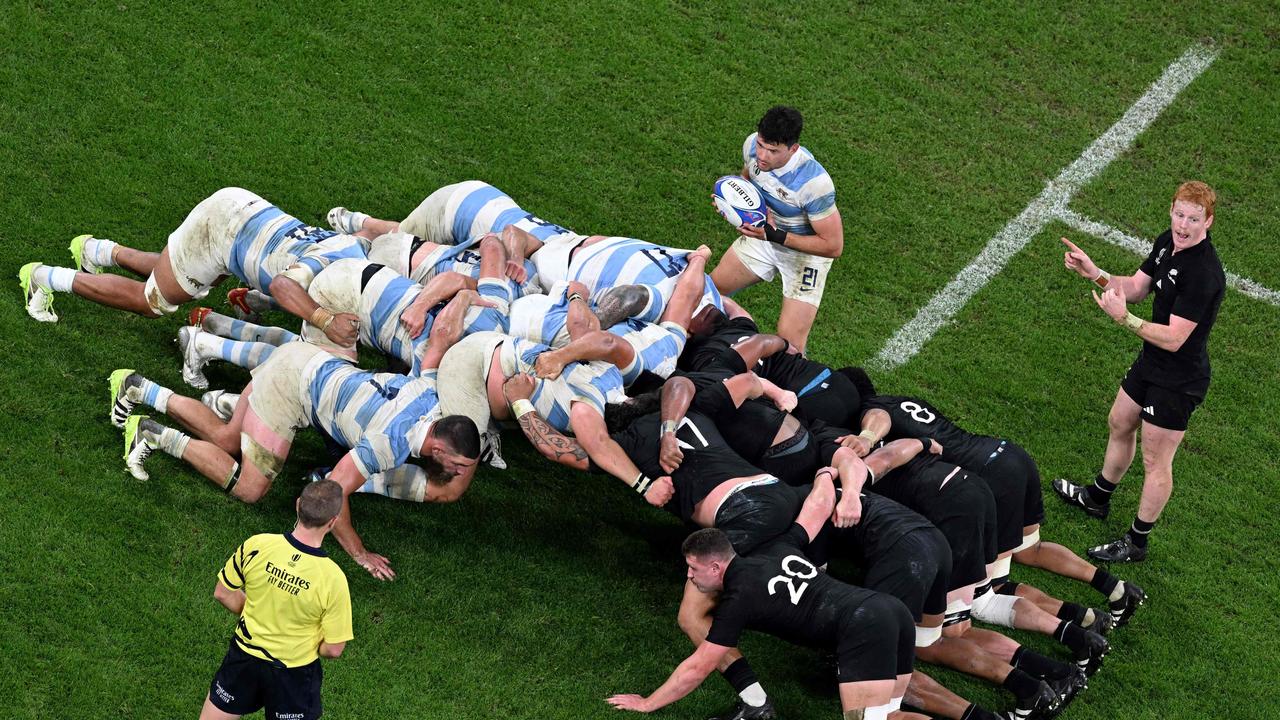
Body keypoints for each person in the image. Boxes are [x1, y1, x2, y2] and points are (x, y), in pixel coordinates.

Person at [109, 295, 482, 579]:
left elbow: (439, 340)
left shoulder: (429, 394)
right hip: (289, 390)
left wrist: (463, 296)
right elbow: (334, 490)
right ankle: (151, 434)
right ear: (436, 447)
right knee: (250, 488)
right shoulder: (390, 443)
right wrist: (360, 553)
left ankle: (139, 388)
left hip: (308, 358)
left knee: (226, 438)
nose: (460, 471)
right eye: (459, 464)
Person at [606, 496, 925, 720]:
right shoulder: (777, 548)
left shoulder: (739, 598)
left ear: (716, 567)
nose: (689, 577)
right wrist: (826, 474)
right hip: (891, 610)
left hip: (864, 624)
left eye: (693, 569)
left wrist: (648, 704)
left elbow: (697, 667)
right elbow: (813, 512)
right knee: (890, 715)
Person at [1053, 181, 1225, 562]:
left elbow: (1176, 338)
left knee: (1156, 461)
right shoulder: (1167, 242)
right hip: (1152, 361)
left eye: (1194, 219)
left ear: (1208, 222)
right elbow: (1134, 285)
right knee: (1120, 421)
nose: (1183, 225)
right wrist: (1095, 273)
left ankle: (1136, 542)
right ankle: (1097, 497)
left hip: (1178, 379)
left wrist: (1124, 319)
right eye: (1179, 214)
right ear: (1171, 211)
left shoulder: (1204, 274)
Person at [18, 188, 367, 349]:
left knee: (180, 274)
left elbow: (377, 231)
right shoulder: (330, 275)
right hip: (221, 232)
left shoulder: (359, 248)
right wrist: (324, 320)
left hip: (243, 208)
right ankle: (42, 278)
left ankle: (97, 251)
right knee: (153, 301)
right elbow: (282, 288)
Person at [200, 480, 352, 720]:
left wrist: (257, 613)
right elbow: (333, 649)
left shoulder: (257, 545)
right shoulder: (333, 579)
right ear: (332, 522)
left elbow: (223, 592)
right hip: (293, 675)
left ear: (298, 505)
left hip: (243, 659)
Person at [708, 106, 843, 352]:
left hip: (805, 257)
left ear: (793, 148)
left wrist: (774, 235)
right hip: (765, 237)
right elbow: (748, 178)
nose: (763, 155)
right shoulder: (751, 146)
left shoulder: (815, 184)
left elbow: (833, 246)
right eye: (761, 145)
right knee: (708, 294)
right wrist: (735, 207)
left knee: (788, 348)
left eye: (773, 151)